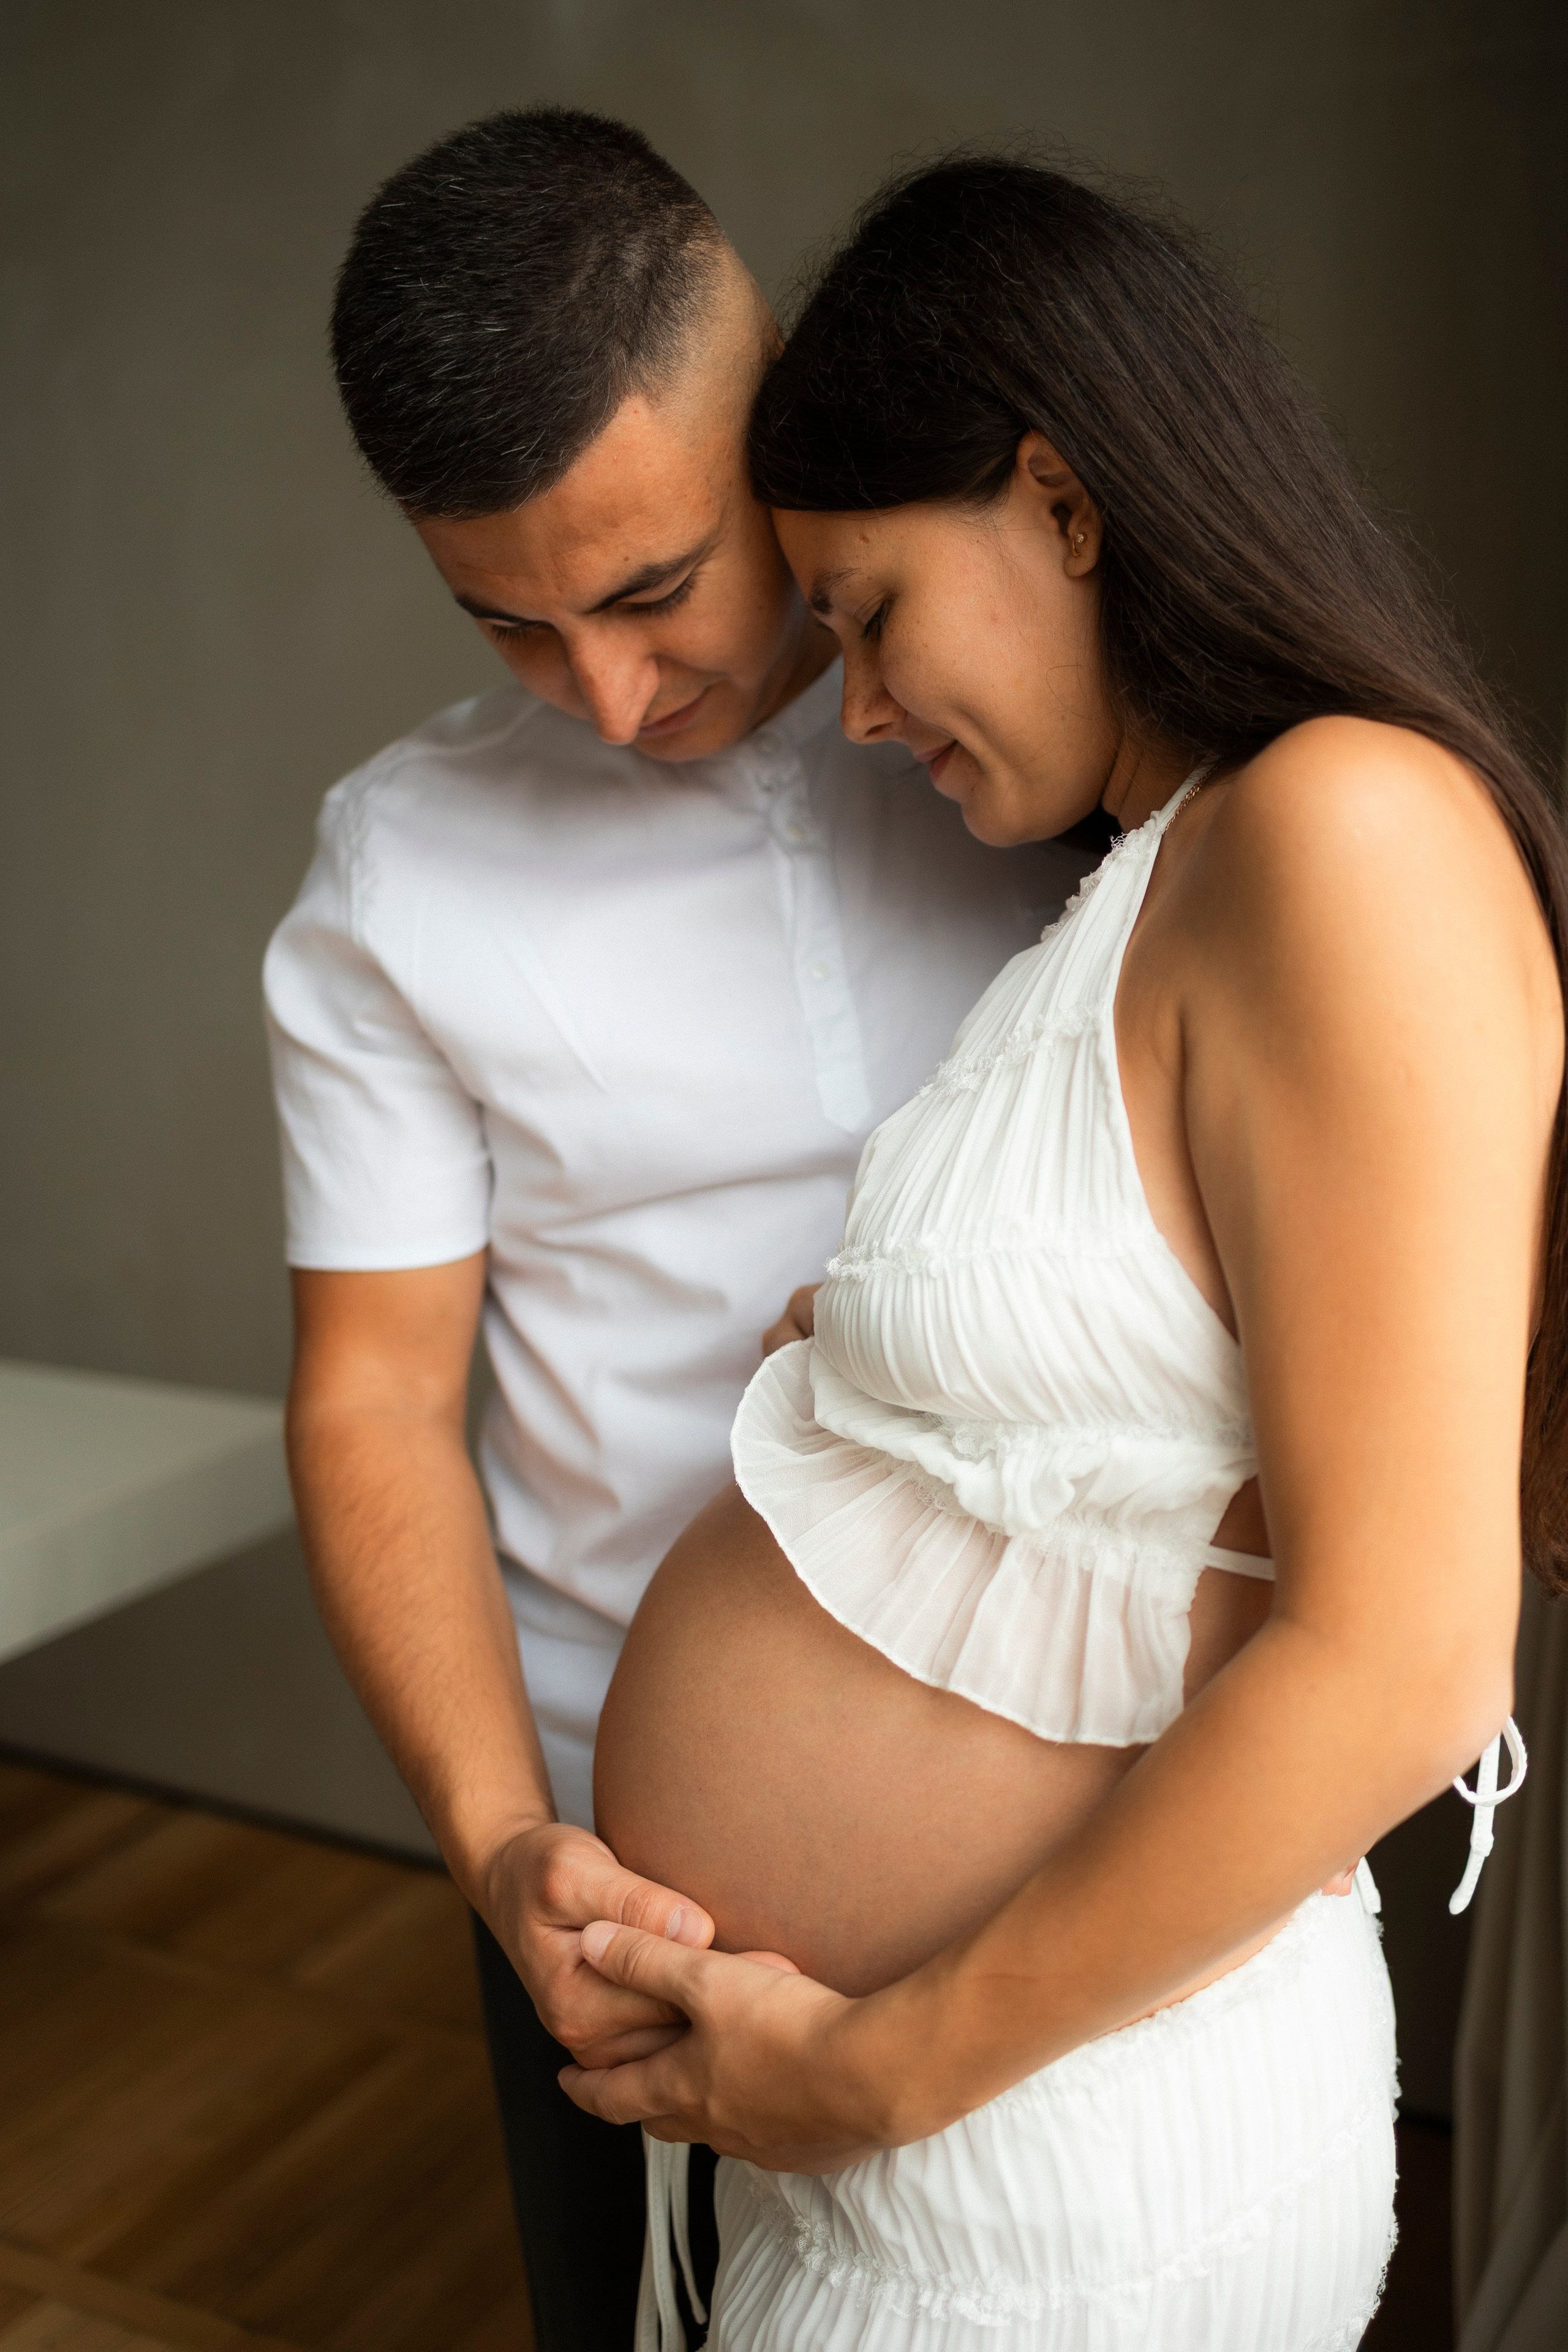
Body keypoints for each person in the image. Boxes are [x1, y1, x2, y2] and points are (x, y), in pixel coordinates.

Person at [564, 157, 1565, 2349]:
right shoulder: (1170, 868)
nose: (854, 706)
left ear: (1063, 499)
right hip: (926, 2128)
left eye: (872, 612)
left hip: (1039, 2138)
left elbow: (1412, 1653)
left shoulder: (1341, 832)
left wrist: (870, 2069)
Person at [262, 112, 1089, 2349]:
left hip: (1084, 1830)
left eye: (647, 590)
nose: (612, 698)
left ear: (787, 391)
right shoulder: (397, 878)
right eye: (510, 627)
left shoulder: (1031, 727)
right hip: (616, 1888)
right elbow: (370, 1402)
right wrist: (498, 1845)